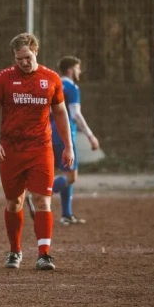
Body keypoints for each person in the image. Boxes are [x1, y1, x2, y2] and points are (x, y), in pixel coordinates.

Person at [0, 33, 75, 271]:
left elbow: (61, 113)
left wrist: (68, 146)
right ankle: (15, 251)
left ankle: (44, 254)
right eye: (18, 58)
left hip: (40, 148)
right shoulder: (4, 78)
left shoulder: (51, 78)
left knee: (42, 200)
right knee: (14, 203)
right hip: (11, 150)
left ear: (36, 51)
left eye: (27, 57)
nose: (23, 62)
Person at [46, 56, 99, 225]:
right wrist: (90, 135)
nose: (79, 71)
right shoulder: (71, 87)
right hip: (66, 134)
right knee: (71, 177)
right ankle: (40, 193)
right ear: (70, 70)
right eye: (77, 68)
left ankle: (67, 214)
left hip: (50, 133)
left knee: (65, 174)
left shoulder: (52, 84)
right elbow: (75, 114)